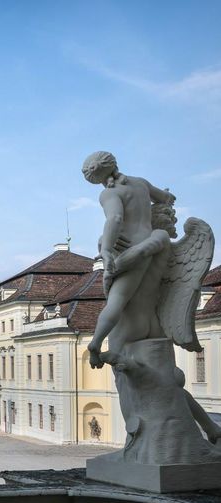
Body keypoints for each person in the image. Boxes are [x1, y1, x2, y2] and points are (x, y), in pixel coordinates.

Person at [82, 151, 176, 368]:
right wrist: (167, 198)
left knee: (118, 299)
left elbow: (115, 218)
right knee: (128, 296)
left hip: (129, 249)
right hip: (147, 241)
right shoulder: (141, 183)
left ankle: (96, 342)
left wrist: (105, 248)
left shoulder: (109, 193)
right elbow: (165, 199)